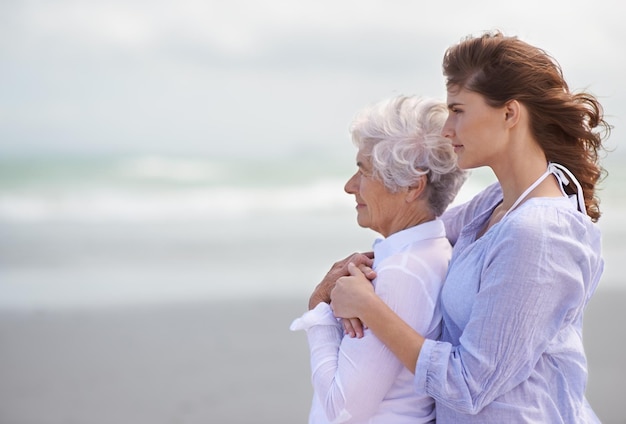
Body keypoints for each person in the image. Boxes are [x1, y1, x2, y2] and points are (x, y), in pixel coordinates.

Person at [329, 31, 611, 423]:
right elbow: (418, 233)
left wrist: (369, 307)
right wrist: (356, 268)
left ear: (510, 114)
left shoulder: (539, 233)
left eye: (458, 110)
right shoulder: (497, 203)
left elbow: (467, 386)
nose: (447, 129)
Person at [290, 95, 467, 423]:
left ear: (412, 186)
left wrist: (318, 308)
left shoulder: (402, 272)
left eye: (363, 171)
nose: (349, 186)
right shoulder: (430, 252)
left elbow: (342, 410)